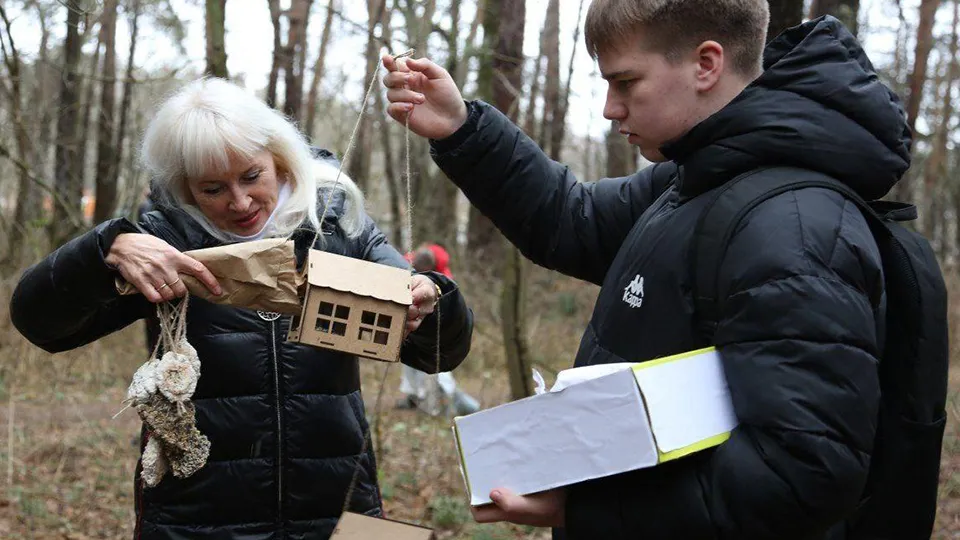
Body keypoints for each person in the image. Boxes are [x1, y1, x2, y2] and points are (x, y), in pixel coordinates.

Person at [382, 1, 922, 538]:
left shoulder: (795, 228)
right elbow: (575, 219)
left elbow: (802, 474)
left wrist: (587, 510)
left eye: (625, 83)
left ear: (706, 64)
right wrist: (459, 128)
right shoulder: (696, 180)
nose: (609, 109)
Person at [9, 78, 474, 539]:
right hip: (197, 520)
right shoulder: (161, 242)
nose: (240, 200)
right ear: (186, 187)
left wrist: (433, 300)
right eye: (213, 189)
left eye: (252, 176)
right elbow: (41, 323)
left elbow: (437, 353)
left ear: (280, 158)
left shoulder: (339, 226)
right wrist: (104, 249)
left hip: (333, 512)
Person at [397, 243, 480, 416]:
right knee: (410, 362)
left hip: (430, 316)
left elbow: (446, 287)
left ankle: (449, 398)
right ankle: (414, 396)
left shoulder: (437, 271)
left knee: (436, 366)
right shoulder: (402, 264)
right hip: (408, 320)